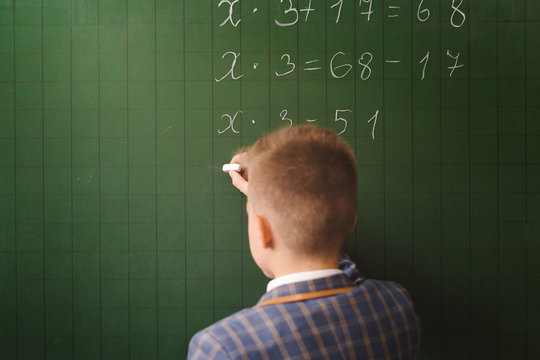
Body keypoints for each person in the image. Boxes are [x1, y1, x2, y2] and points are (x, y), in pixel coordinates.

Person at [188, 125, 421, 359]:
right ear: (352, 223)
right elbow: (345, 272)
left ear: (262, 230)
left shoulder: (223, 348)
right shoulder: (395, 306)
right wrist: (266, 196)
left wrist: (264, 200)